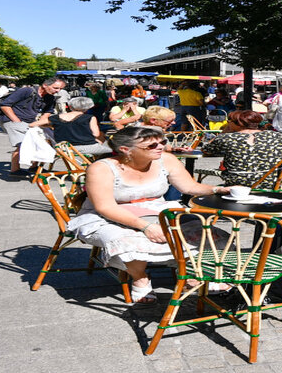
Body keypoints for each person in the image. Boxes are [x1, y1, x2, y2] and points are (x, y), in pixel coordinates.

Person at [65, 126, 228, 302]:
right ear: (126, 150)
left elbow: (189, 187)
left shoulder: (167, 160)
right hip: (108, 214)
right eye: (151, 146)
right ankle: (140, 278)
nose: (161, 147)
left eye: (162, 142)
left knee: (208, 234)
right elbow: (105, 207)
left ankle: (191, 274)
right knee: (125, 240)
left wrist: (218, 189)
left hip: (154, 209)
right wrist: (146, 227)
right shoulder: (102, 168)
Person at [200, 109, 282, 185]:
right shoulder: (277, 136)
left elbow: (206, 150)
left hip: (237, 184)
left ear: (236, 123)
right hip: (272, 183)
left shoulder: (225, 138)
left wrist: (225, 131)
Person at [0, 78, 67, 177]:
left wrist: (40, 124)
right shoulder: (27, 91)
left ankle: (34, 167)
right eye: (55, 88)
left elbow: (47, 112)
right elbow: (5, 105)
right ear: (45, 85)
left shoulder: (50, 97)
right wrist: (16, 121)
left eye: (60, 89)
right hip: (11, 119)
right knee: (22, 144)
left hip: (30, 121)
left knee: (43, 141)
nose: (57, 91)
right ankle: (15, 170)